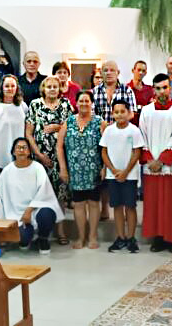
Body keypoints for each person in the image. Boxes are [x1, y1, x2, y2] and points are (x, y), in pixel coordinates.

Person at [138, 73, 172, 253]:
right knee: (153, 203)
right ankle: (157, 238)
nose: (162, 91)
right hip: (151, 165)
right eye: (158, 88)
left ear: (171, 88)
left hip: (169, 165)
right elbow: (141, 136)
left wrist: (162, 160)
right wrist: (150, 159)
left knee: (170, 203)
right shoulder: (146, 110)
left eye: (165, 87)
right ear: (153, 89)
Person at [0, 138, 65, 255]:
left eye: (24, 147)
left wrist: (29, 210)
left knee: (48, 213)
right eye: (18, 148)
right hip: (16, 214)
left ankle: (43, 239)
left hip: (35, 209)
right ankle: (26, 239)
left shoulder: (37, 168)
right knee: (23, 238)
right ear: (13, 152)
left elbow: (44, 192)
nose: (21, 150)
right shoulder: (7, 171)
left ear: (29, 152)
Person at [26, 76, 74, 244]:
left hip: (60, 158)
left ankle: (61, 231)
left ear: (59, 88)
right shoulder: (35, 105)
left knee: (60, 195)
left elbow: (72, 128)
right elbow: (28, 133)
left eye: (55, 86)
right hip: (40, 157)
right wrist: (39, 155)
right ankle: (40, 231)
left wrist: (58, 127)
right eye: (49, 87)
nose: (52, 89)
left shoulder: (66, 105)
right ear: (43, 89)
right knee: (40, 194)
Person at [56, 91, 106, 249]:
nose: (84, 104)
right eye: (81, 101)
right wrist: (63, 168)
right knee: (78, 204)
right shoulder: (68, 122)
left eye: (87, 101)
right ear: (76, 103)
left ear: (92, 103)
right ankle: (81, 237)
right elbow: (59, 146)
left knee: (93, 203)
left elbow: (106, 147)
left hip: (94, 170)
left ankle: (92, 236)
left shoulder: (100, 122)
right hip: (75, 171)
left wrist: (105, 167)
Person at [100, 101, 145, 253]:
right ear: (112, 113)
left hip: (130, 176)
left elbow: (137, 153)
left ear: (128, 113)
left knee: (130, 207)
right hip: (113, 175)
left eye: (122, 111)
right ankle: (120, 237)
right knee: (117, 207)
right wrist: (113, 170)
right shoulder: (109, 130)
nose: (119, 114)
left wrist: (125, 172)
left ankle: (131, 238)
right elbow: (104, 152)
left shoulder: (134, 131)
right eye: (116, 112)